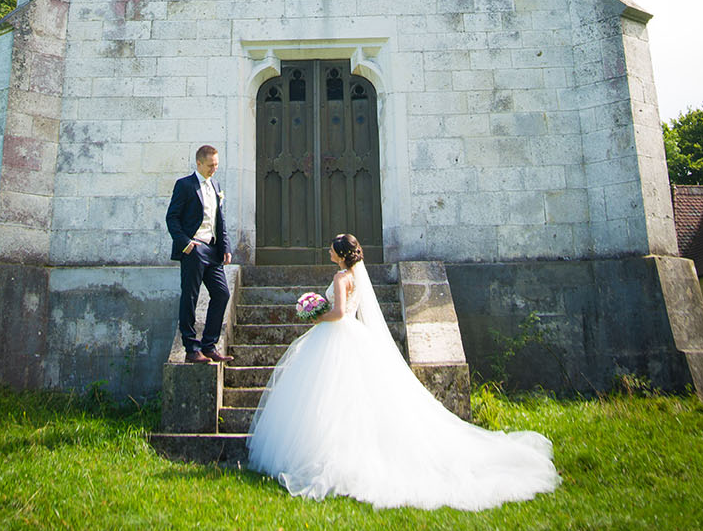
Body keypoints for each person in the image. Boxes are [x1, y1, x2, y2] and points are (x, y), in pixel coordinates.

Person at [247, 233, 561, 510]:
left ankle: (333, 458)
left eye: (332, 249)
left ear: (342, 254)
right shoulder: (354, 275)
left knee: (331, 397)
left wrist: (316, 316)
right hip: (351, 335)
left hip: (336, 336)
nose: (329, 252)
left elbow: (341, 312)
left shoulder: (342, 278)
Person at [165, 145, 233, 364]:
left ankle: (209, 345)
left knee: (222, 294)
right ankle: (191, 348)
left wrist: (226, 247)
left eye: (216, 165)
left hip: (212, 250)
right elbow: (172, 217)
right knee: (190, 297)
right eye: (211, 165)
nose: (214, 169)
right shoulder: (184, 185)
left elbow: (219, 220)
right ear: (199, 163)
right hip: (193, 249)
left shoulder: (216, 185)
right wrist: (185, 243)